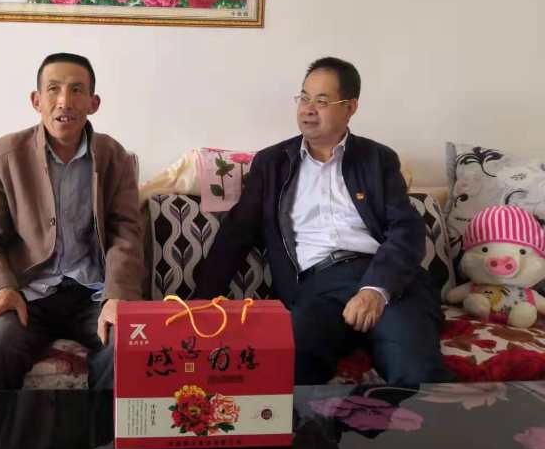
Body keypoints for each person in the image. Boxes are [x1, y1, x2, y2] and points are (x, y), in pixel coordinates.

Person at [194, 57, 452, 386]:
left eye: (322, 101)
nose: (308, 109)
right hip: (317, 286)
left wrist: (375, 290)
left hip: (384, 279)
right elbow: (236, 233)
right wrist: (198, 305)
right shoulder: (273, 163)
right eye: (304, 98)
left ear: (350, 108)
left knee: (417, 373)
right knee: (289, 371)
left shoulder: (378, 159)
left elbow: (406, 230)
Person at [0, 52, 144, 390]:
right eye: (54, 89)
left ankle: (101, 427)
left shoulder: (113, 156)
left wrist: (118, 295)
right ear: (36, 100)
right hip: (28, 294)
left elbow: (127, 232)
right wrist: (1, 288)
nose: (65, 100)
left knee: (127, 344)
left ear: (93, 103)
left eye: (77, 90)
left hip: (93, 294)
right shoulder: (3, 155)